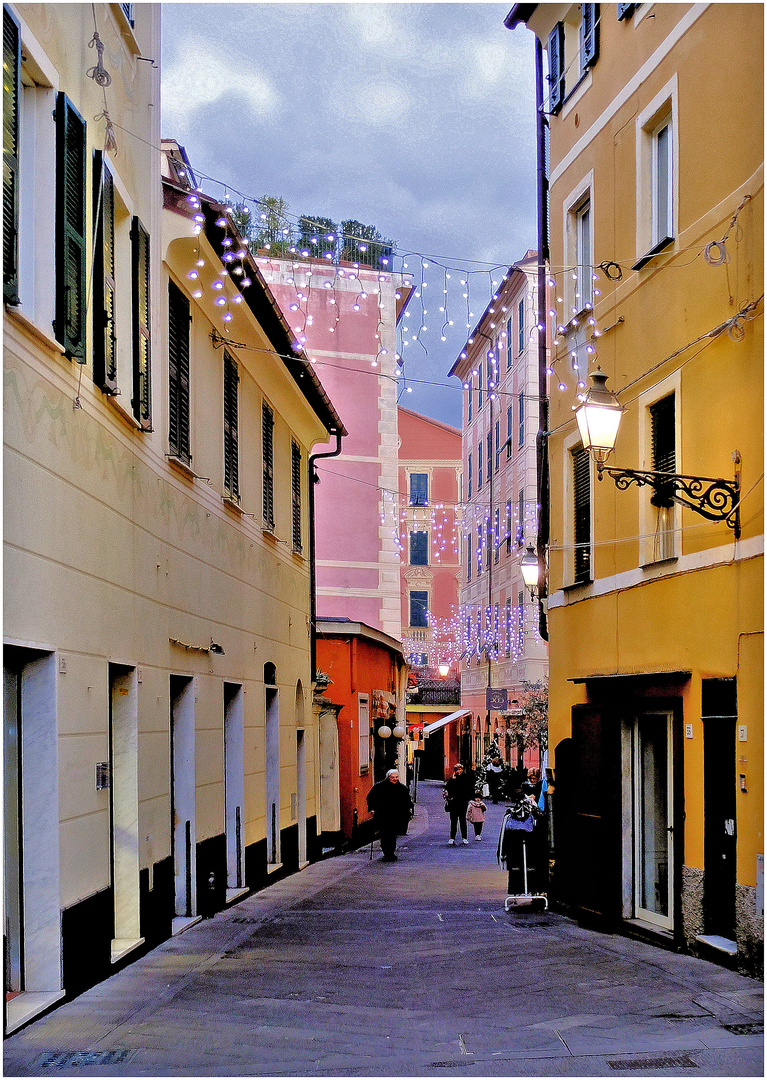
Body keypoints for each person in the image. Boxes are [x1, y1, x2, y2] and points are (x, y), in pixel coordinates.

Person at [497, 784, 544, 894]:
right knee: (530, 865)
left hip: (515, 844)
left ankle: (517, 890)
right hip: (530, 844)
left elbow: (504, 838)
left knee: (516, 865)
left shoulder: (511, 815)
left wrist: (503, 854)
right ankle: (533, 890)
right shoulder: (532, 811)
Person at [366, 768, 412, 862]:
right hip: (383, 815)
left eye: (396, 777)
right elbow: (371, 797)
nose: (395, 779)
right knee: (385, 834)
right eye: (393, 777)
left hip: (396, 816)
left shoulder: (402, 788)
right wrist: (372, 808)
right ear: (388, 777)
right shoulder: (379, 787)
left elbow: (407, 801)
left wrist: (407, 812)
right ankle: (387, 853)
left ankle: (390, 853)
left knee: (393, 835)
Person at [443, 763, 473, 845]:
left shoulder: (466, 778)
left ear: (462, 770)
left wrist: (468, 798)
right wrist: (452, 779)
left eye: (459, 769)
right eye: (456, 769)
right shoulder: (452, 779)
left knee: (462, 820)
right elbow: (448, 788)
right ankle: (452, 837)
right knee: (453, 821)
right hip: (453, 802)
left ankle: (464, 837)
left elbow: (469, 788)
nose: (458, 771)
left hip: (462, 802)